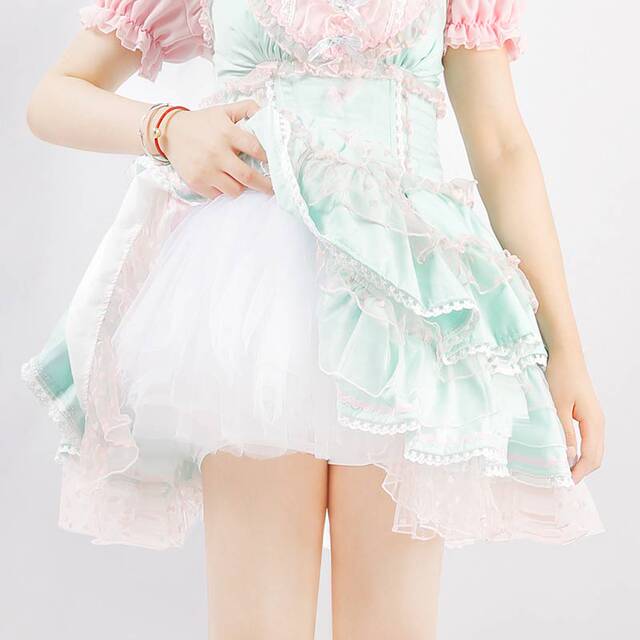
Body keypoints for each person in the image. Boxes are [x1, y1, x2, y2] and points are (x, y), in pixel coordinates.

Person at [21, 0, 605, 638]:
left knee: (393, 628)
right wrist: (167, 128)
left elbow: (501, 147)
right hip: (253, 297)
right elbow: (55, 96)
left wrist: (565, 350)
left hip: (407, 306)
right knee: (258, 627)